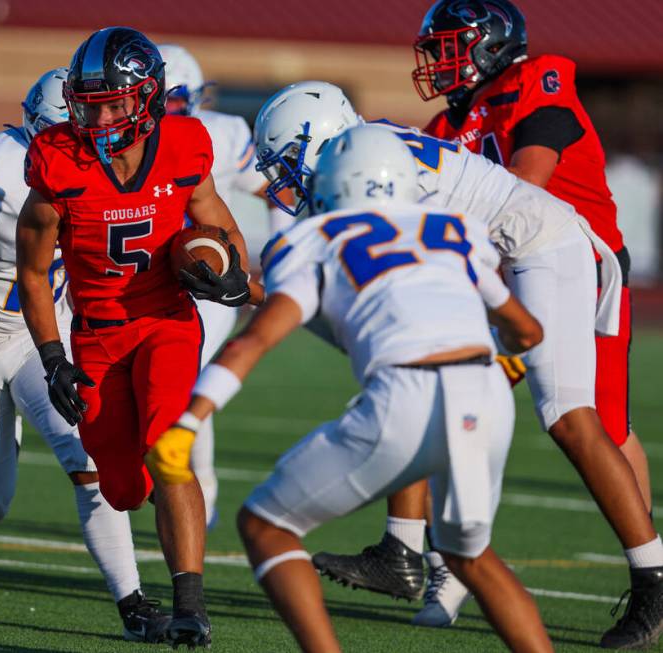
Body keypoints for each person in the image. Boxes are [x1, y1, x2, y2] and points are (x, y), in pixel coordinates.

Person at [254, 79, 663, 641]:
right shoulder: (366, 158)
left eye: (288, 163)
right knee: (416, 374)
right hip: (507, 253)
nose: (282, 181)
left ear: (320, 142)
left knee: (567, 414)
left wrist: (254, 290)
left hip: (541, 244)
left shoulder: (377, 170)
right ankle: (404, 549)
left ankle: (654, 578)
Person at [146, 125, 551, 653]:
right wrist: (502, 368)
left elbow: (255, 342)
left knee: (265, 524)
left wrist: (190, 422)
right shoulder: (453, 228)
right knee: (470, 555)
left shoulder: (312, 237)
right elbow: (528, 332)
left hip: (405, 394)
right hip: (485, 393)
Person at [411, 1, 662, 645]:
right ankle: (440, 559)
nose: (438, 62)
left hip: (580, 262)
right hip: (502, 270)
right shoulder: (449, 120)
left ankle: (652, 576)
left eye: (449, 47)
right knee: (436, 392)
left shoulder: (538, 77)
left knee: (596, 423)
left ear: (492, 45)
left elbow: (528, 177)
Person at [15, 27, 261, 648]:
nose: (99, 115)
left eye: (115, 101)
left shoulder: (185, 144)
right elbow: (32, 271)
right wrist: (52, 357)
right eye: (89, 101)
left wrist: (229, 271)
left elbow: (216, 223)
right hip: (95, 336)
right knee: (123, 489)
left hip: (166, 323)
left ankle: (189, 606)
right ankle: (158, 498)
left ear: (149, 98)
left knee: (166, 447)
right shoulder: (56, 158)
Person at [0, 68, 169, 643]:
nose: (90, 141)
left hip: (39, 337)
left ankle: (133, 603)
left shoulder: (109, 166)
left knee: (90, 459)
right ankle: (8, 426)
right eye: (73, 131)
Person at [158, 43, 294, 529]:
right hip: (145, 274)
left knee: (187, 371)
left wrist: (282, 250)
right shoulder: (121, 138)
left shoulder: (221, 133)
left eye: (175, 99)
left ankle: (201, 483)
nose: (166, 110)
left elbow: (281, 187)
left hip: (207, 277)